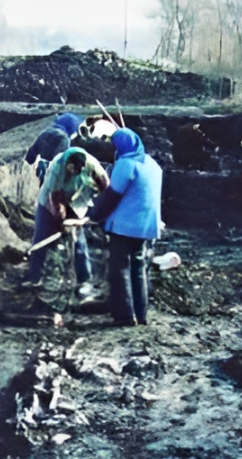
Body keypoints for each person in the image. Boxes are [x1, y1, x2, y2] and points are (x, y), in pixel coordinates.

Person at [88, 128, 163, 327]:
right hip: (146, 226)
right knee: (138, 268)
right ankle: (141, 314)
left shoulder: (126, 164)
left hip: (125, 226)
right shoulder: (152, 164)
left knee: (119, 269)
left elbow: (112, 196)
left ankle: (124, 316)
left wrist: (95, 215)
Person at [25, 147, 109, 293]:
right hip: (50, 203)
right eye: (71, 170)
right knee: (41, 238)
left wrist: (100, 210)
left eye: (77, 171)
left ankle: (84, 280)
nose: (74, 173)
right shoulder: (57, 167)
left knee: (79, 241)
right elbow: (55, 199)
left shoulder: (92, 164)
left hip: (76, 202)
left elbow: (106, 187)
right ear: (67, 165)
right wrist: (61, 222)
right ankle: (34, 277)